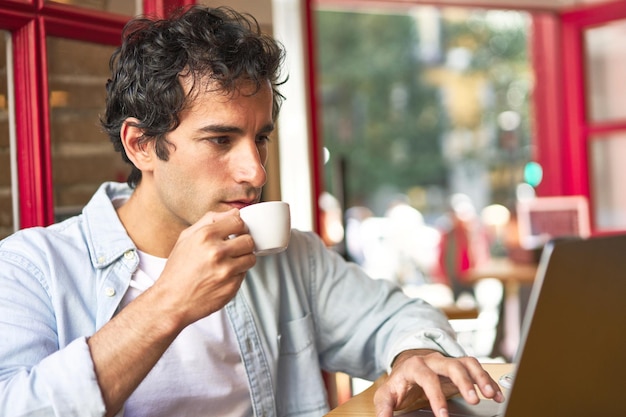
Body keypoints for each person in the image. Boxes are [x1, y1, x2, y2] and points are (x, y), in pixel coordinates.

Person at [0, 6, 503, 417]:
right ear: (142, 146)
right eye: (220, 139)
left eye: (258, 138)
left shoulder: (288, 257)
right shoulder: (31, 270)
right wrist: (169, 303)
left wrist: (414, 354)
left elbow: (400, 318)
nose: (256, 172)